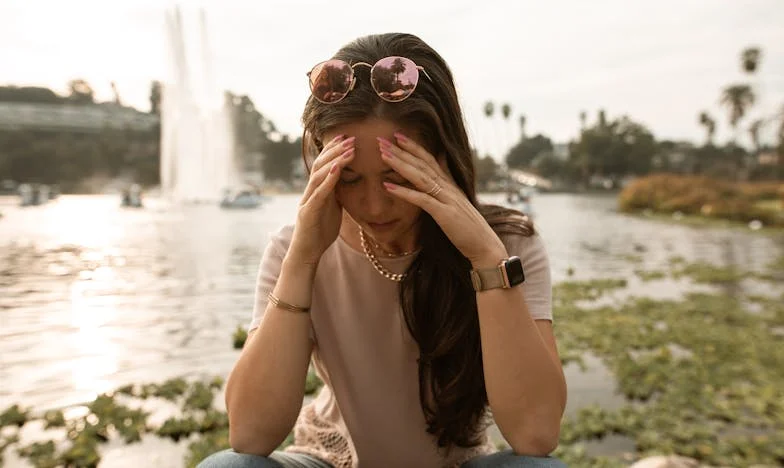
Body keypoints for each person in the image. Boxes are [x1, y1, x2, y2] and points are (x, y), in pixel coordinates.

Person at [199, 33, 566, 468]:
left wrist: (486, 261)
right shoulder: (293, 250)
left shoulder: (508, 244)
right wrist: (302, 261)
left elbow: (536, 434)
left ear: (443, 157)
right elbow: (250, 435)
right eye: (350, 179)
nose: (374, 206)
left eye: (399, 175)